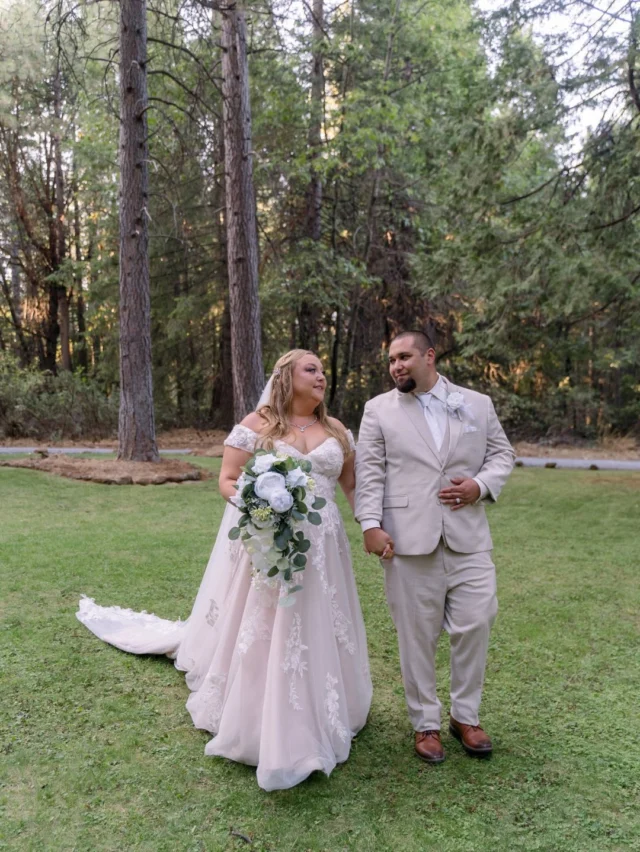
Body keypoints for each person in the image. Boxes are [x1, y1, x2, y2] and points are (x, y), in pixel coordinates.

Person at [77, 350, 372, 791]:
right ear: (286, 376)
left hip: (325, 547)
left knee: (320, 618)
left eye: (324, 370)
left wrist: (373, 526)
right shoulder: (257, 425)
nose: (322, 376)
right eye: (311, 369)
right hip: (271, 542)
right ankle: (259, 711)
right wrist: (261, 509)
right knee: (270, 621)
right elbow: (228, 479)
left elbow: (352, 486)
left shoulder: (338, 430)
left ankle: (325, 704)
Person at [355, 330, 514, 764]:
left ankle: (466, 716)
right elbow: (369, 471)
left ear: (429, 356)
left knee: (477, 621)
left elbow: (502, 455)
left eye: (404, 356)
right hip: (407, 540)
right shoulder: (378, 410)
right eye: (391, 360)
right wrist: (370, 523)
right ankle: (425, 722)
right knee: (416, 636)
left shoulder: (476, 403)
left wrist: (480, 486)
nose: (396, 366)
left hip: (469, 538)